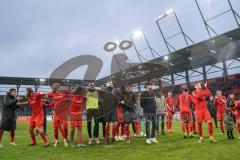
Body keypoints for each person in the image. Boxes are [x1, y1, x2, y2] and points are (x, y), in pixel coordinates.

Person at [47, 83, 69, 147]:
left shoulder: (63, 93)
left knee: (64, 127)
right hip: (56, 114)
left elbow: (68, 94)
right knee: (55, 129)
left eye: (55, 87)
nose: (54, 88)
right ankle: (56, 140)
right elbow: (47, 94)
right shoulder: (53, 94)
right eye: (53, 87)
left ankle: (65, 139)